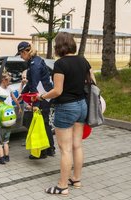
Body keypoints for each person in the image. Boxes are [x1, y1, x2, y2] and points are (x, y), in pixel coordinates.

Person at [36, 32, 96, 196]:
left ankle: (62, 186)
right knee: (77, 145)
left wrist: (42, 96)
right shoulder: (83, 60)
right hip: (82, 105)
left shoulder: (60, 64)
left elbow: (57, 91)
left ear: (58, 46)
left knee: (65, 149)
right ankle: (76, 179)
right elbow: (93, 81)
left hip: (66, 107)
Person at [16, 41, 55, 159]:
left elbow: (35, 85)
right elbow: (31, 82)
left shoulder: (34, 65)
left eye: (21, 54)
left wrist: (35, 104)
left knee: (40, 124)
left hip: (42, 97)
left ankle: (42, 152)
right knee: (44, 123)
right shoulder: (35, 61)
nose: (21, 57)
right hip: (45, 96)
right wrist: (22, 94)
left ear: (25, 52)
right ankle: (49, 149)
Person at [0, 73, 22, 164]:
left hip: (1, 120)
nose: (10, 83)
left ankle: (1, 159)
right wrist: (19, 107)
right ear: (3, 80)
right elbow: (14, 99)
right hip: (9, 119)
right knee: (6, 141)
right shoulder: (9, 89)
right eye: (9, 81)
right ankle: (7, 157)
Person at [18, 70, 33, 146]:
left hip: (30, 109)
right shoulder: (25, 85)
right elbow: (20, 93)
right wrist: (21, 84)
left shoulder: (31, 86)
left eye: (25, 77)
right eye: (23, 77)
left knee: (31, 125)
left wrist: (31, 106)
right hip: (26, 109)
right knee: (27, 125)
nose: (24, 79)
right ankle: (29, 139)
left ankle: (30, 141)